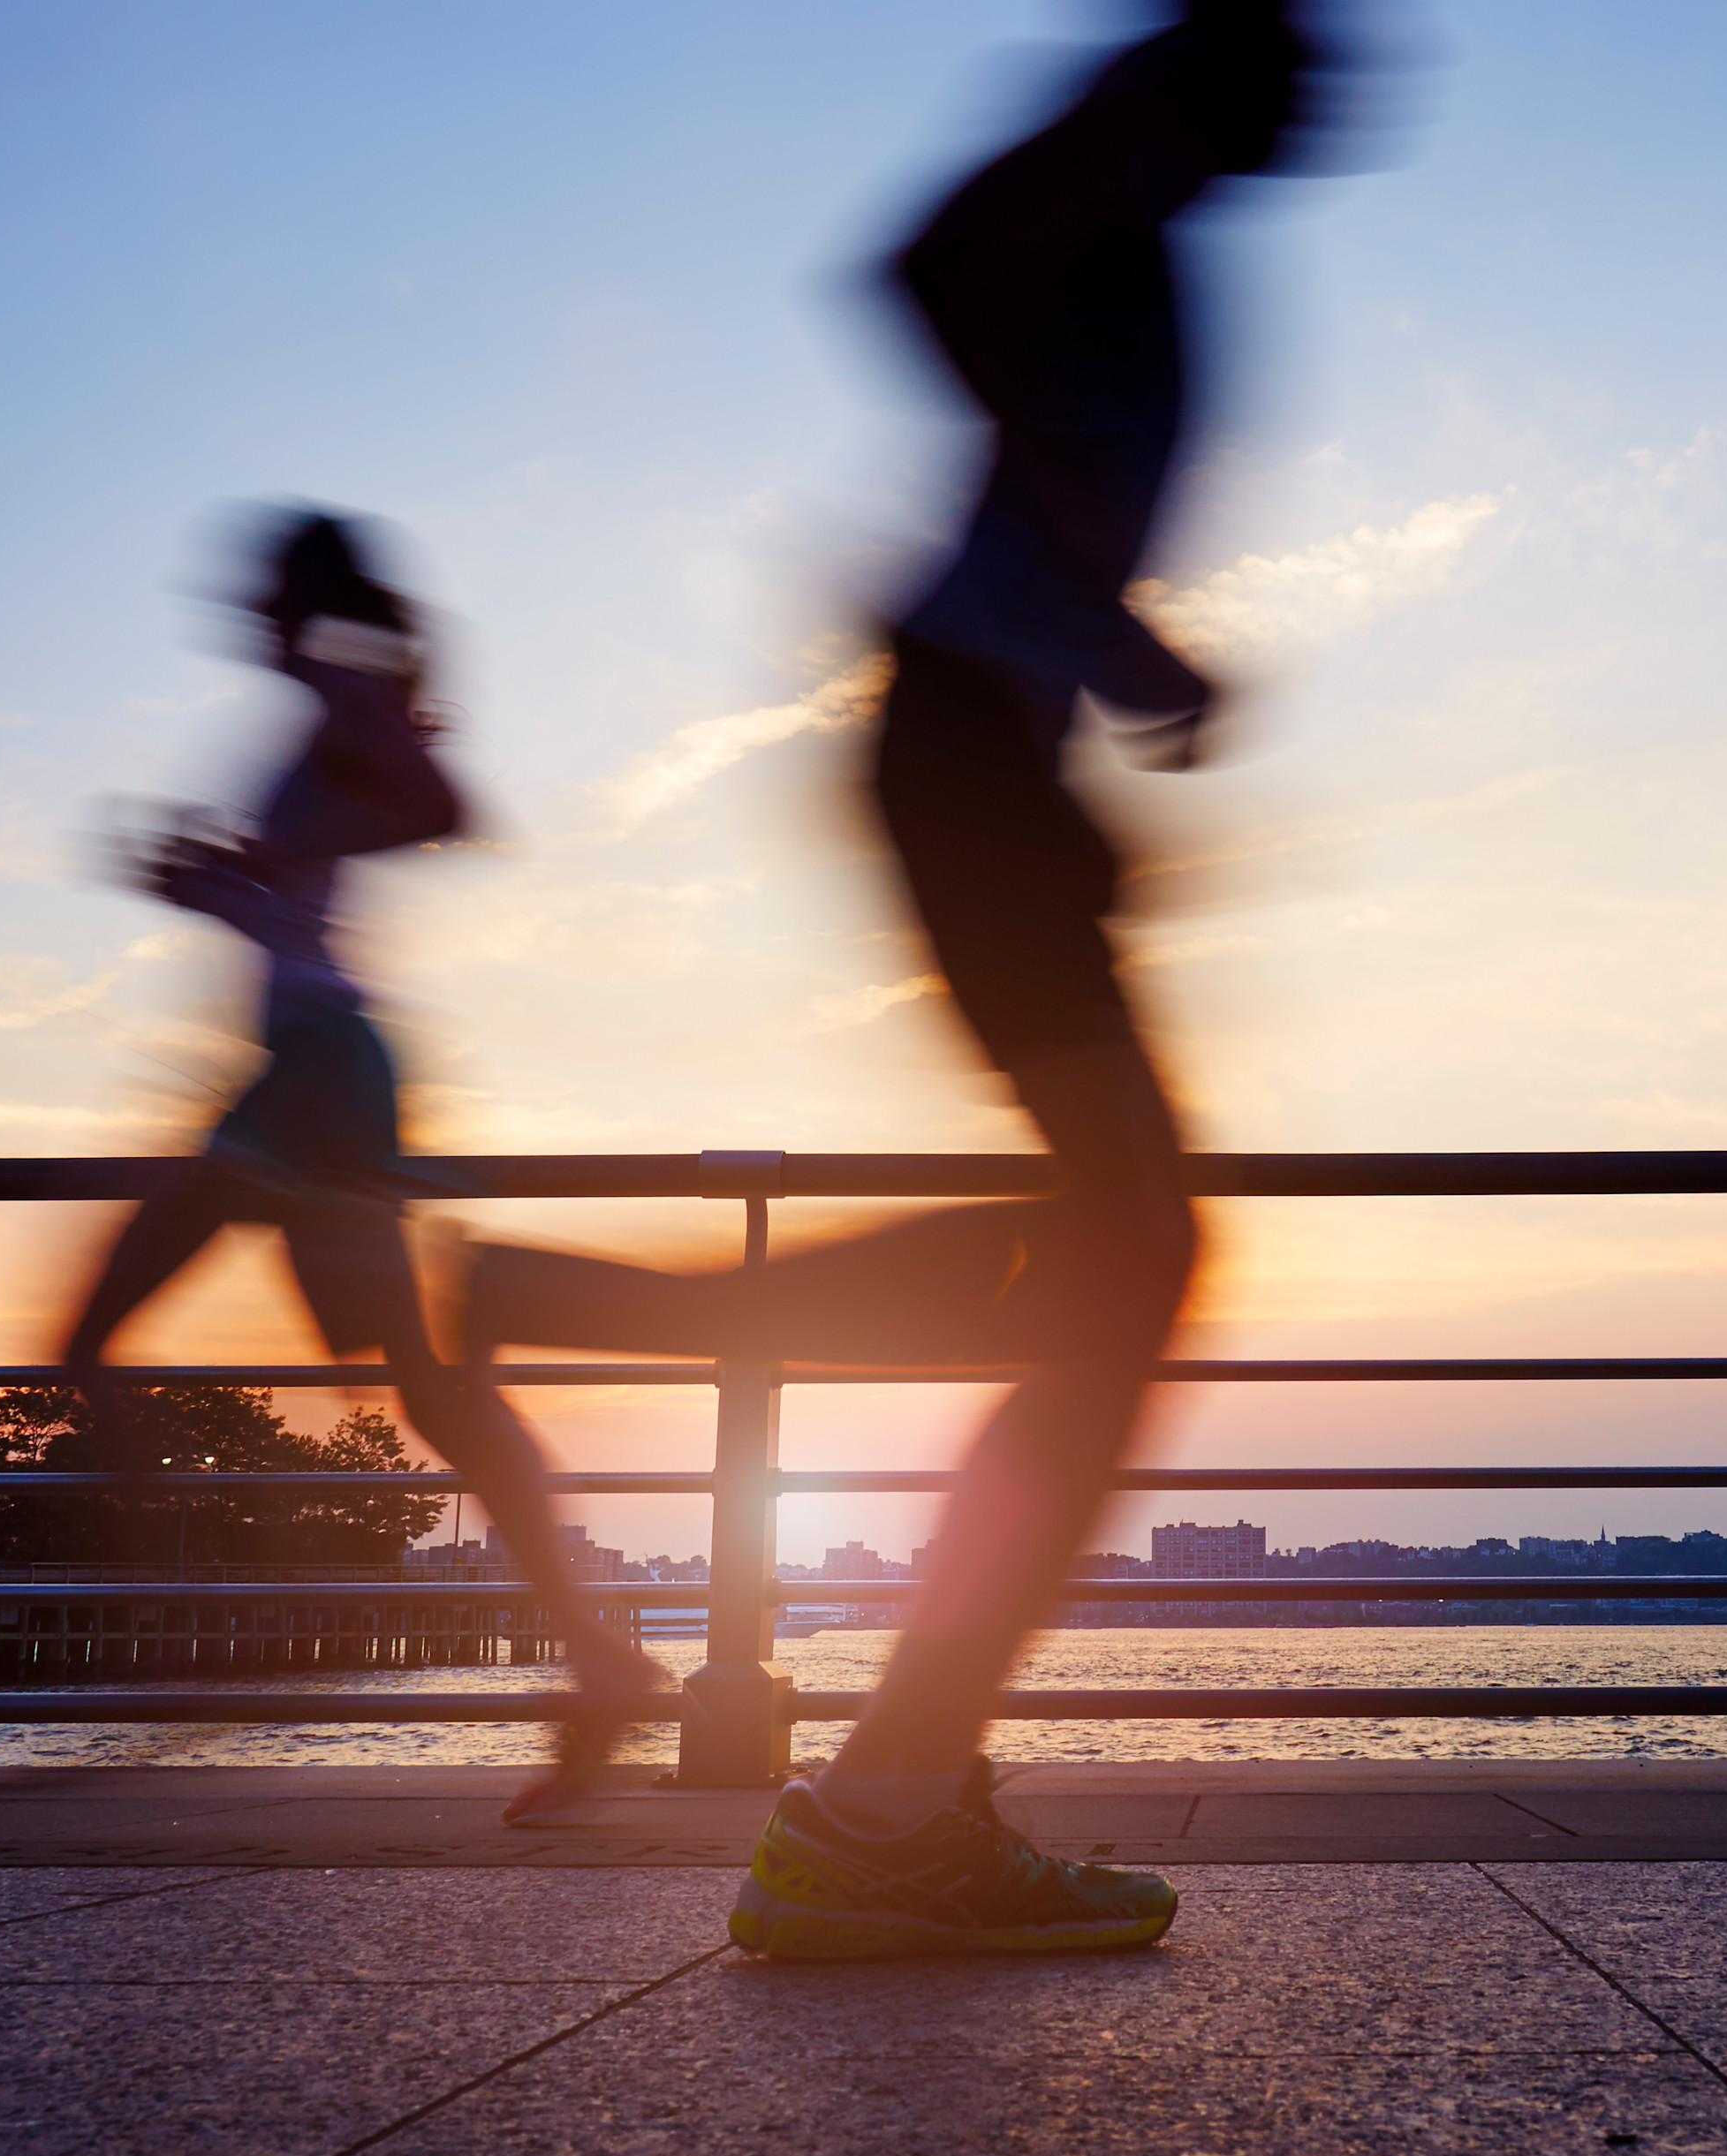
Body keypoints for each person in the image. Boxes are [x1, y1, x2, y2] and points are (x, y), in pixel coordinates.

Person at [458, 0, 1331, 1956]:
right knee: (1141, 1245)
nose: (1350, 83)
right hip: (962, 750)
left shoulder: (1150, 215)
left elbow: (995, 390)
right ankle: (887, 1803)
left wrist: (1111, 655)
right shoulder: (1120, 161)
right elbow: (923, 266)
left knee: (1110, 1243)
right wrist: (1103, 628)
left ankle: (890, 1776)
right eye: (1313, 47)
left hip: (991, 756)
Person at [60, 509, 658, 1826]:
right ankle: (599, 1657)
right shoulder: (323, 702)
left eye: (258, 589)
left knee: (105, 1343)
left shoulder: (338, 686)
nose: (239, 610)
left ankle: (182, 1585)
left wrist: (259, 864)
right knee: (425, 1387)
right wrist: (221, 883)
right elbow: (307, 888)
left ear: (298, 599)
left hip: (318, 1072)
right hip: (303, 1071)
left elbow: (443, 808)